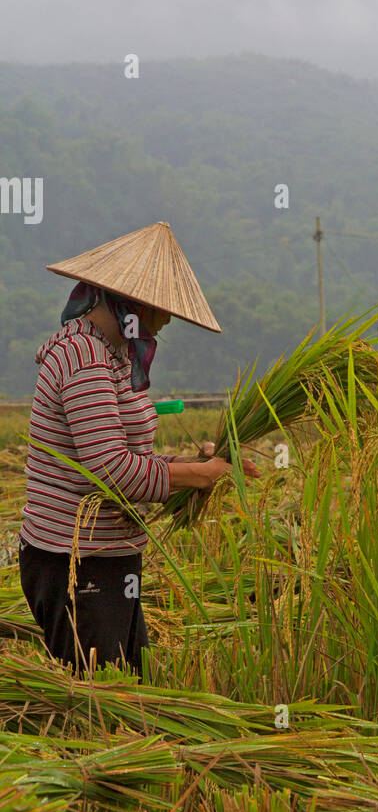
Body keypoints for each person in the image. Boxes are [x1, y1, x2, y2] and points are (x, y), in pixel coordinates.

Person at [18, 221, 259, 676]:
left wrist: (199, 464)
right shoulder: (82, 357)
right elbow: (110, 469)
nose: (166, 321)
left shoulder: (112, 356)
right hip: (76, 562)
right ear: (133, 303)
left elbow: (129, 459)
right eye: (162, 309)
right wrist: (201, 476)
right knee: (96, 701)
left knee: (130, 685)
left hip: (111, 556)